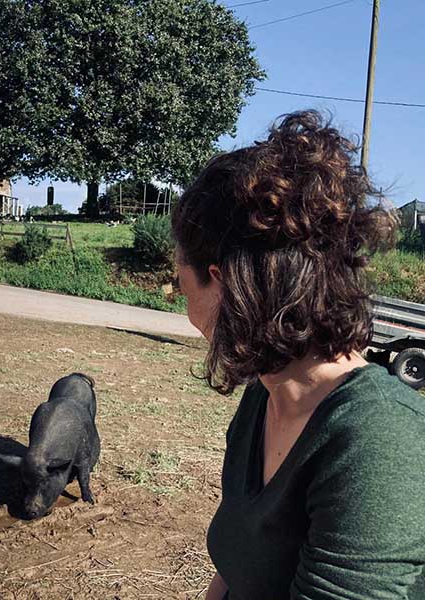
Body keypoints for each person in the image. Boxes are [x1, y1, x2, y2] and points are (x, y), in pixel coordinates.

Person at [171, 110, 425, 600]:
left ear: (225, 284)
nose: (180, 304)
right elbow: (234, 570)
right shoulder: (264, 397)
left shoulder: (378, 443)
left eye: (183, 286)